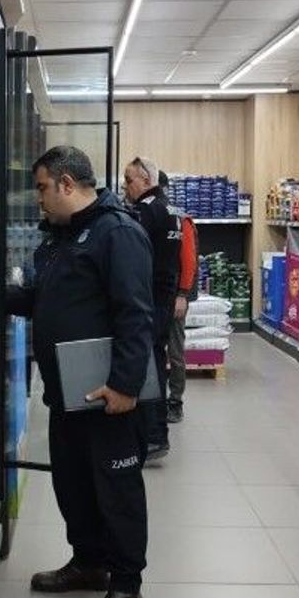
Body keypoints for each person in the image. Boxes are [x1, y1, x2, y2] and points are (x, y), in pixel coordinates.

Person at [7, 145, 152, 598]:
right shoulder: (62, 237)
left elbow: (136, 313)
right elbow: (41, 298)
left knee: (117, 491)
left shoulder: (117, 233)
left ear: (67, 184)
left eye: (42, 188)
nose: (39, 199)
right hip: (67, 393)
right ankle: (88, 562)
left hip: (109, 396)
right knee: (73, 484)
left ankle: (127, 587)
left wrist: (125, 386)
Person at [121, 156, 181, 461]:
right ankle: (156, 434)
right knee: (156, 360)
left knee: (147, 366)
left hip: (148, 300)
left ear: (146, 180)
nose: (125, 186)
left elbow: (130, 252)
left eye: (128, 180)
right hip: (165, 298)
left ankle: (154, 435)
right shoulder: (170, 209)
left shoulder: (146, 210)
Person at [158, 171, 199, 424]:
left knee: (174, 350)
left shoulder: (180, 219)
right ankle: (155, 398)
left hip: (175, 295)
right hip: (157, 294)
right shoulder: (150, 215)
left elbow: (188, 260)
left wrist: (182, 294)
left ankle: (175, 402)